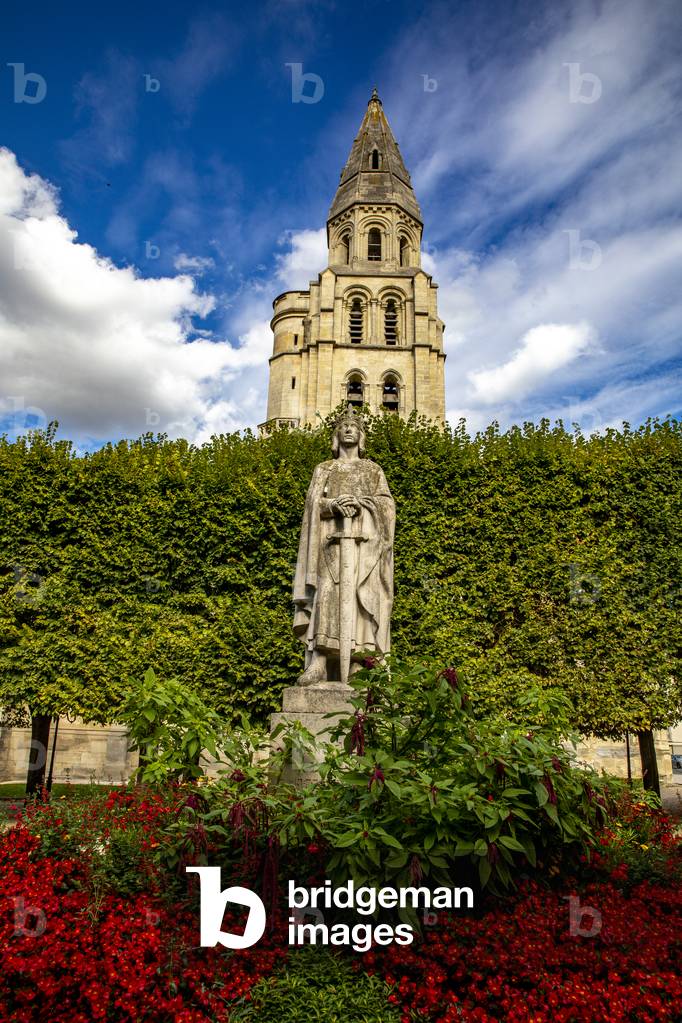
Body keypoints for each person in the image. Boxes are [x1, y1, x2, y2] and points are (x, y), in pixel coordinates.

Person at [293, 408, 395, 686]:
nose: (349, 429)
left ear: (361, 436)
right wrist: (332, 505)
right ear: (336, 435)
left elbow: (386, 505)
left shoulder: (372, 470)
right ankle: (320, 662)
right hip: (330, 546)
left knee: (361, 599)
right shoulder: (324, 469)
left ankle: (358, 663)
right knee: (327, 594)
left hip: (364, 549)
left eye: (354, 426)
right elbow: (312, 505)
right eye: (344, 426)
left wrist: (363, 504)